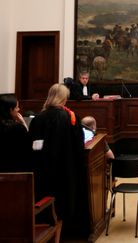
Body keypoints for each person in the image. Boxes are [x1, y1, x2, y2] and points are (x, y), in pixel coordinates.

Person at [29, 83, 90, 237]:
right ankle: (64, 233)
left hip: (43, 171)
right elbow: (78, 147)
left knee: (45, 200)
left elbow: (34, 146)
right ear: (64, 98)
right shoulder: (71, 118)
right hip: (66, 170)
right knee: (65, 203)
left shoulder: (38, 119)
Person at [0, 93, 32, 172]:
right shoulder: (18, 128)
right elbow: (28, 148)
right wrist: (24, 124)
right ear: (10, 110)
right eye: (17, 107)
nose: (19, 109)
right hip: (14, 170)